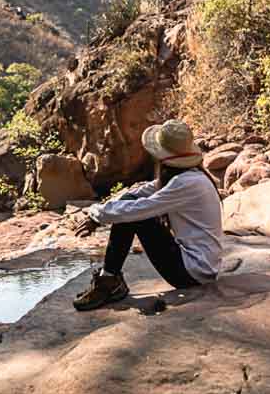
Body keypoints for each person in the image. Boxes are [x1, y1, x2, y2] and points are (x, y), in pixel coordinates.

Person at [71, 119, 223, 311]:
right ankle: (110, 279)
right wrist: (104, 208)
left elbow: (140, 209)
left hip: (193, 273)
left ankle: (109, 281)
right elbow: (141, 192)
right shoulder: (190, 176)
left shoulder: (187, 183)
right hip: (200, 266)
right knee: (129, 202)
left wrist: (96, 215)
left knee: (133, 215)